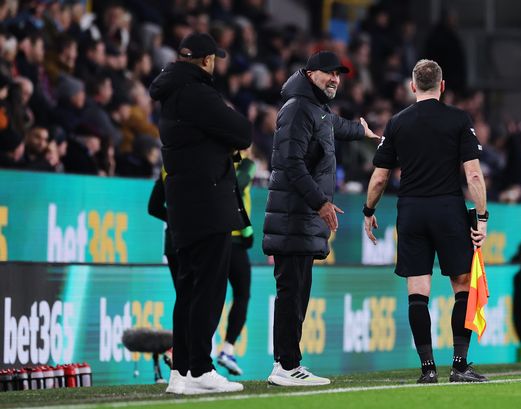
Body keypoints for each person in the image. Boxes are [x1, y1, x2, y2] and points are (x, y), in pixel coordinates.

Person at [363, 59, 488, 384]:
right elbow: (473, 173)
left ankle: (427, 369)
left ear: (413, 86)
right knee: (462, 284)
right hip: (448, 209)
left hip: (412, 211)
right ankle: (459, 365)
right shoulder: (458, 119)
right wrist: (483, 217)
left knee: (418, 291)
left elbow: (379, 178)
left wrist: (368, 210)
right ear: (442, 86)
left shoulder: (397, 123)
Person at [263, 50, 381, 386]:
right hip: (294, 217)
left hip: (300, 218)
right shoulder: (299, 108)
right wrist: (320, 203)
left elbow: (336, 127)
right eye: (329, 72)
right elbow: (290, 163)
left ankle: (288, 364)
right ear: (310, 73)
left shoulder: (315, 109)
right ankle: (285, 366)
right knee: (291, 293)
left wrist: (362, 133)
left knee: (297, 293)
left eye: (338, 74)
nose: (335, 79)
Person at [149, 32, 252, 395]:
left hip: (183, 206)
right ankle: (200, 369)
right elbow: (243, 132)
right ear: (207, 60)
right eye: (214, 59)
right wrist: (224, 131)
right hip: (208, 204)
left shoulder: (172, 92)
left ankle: (180, 373)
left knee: (189, 291)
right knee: (207, 291)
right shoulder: (199, 93)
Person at [217, 150, 256, 376]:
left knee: (209, 296)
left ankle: (189, 352)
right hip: (234, 240)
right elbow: (237, 189)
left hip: (215, 238)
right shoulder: (244, 164)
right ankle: (227, 348)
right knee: (241, 295)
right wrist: (247, 229)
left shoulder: (212, 160)